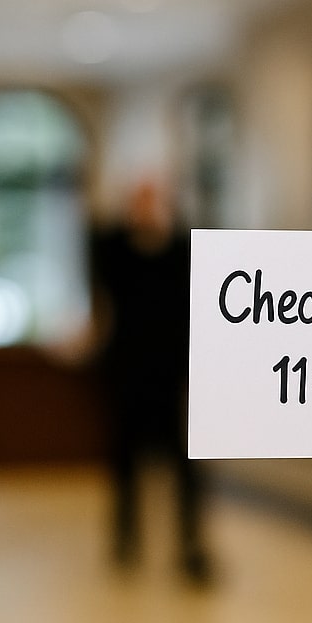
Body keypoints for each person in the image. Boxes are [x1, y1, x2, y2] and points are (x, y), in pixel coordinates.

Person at [89, 179, 209, 579]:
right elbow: (102, 258)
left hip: (170, 369)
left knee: (185, 463)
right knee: (124, 459)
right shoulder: (115, 251)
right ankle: (126, 539)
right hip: (127, 369)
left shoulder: (180, 251)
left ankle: (190, 543)